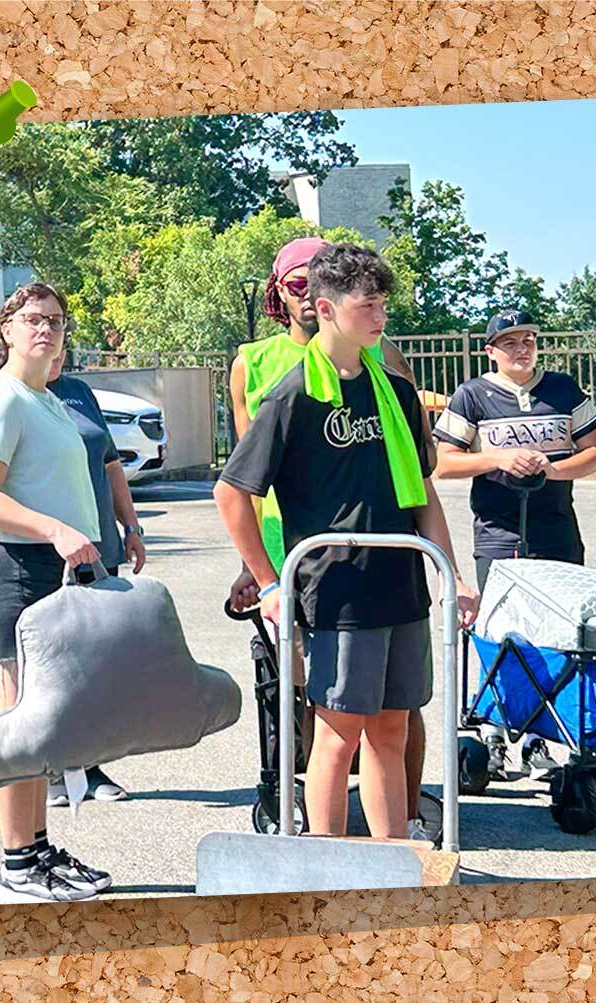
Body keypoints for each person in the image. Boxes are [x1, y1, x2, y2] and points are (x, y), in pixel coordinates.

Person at [213, 244, 478, 840]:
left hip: (400, 583)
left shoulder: (397, 393)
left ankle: (392, 856)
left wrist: (453, 575)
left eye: (384, 302)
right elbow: (232, 494)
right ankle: (324, 866)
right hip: (337, 591)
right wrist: (267, 582)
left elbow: (422, 494)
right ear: (326, 308)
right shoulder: (291, 395)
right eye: (368, 304)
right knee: (337, 733)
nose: (380, 315)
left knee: (393, 728)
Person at [0, 282, 113, 904]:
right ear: (7, 329)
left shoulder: (44, 399)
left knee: (45, 724)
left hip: (56, 573)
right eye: (31, 319)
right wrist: (54, 530)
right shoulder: (0, 400)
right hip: (19, 570)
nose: (45, 329)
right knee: (21, 724)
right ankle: (16, 864)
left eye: (54, 319)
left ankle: (38, 849)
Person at [433, 309, 596, 776]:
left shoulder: (564, 389)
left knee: (557, 633)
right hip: (499, 532)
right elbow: (443, 463)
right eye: (509, 342)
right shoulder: (472, 396)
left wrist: (552, 469)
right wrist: (499, 459)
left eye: (528, 339)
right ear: (491, 351)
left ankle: (539, 736)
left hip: (556, 529)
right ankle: (493, 732)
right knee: (502, 632)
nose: (521, 349)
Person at [44, 348, 148, 806]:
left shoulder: (79, 392)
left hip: (97, 543)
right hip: (45, 550)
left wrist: (131, 526)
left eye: (60, 330)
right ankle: (51, 769)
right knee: (51, 664)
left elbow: (110, 465)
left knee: (95, 660)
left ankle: (88, 764)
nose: (54, 346)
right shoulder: (9, 396)